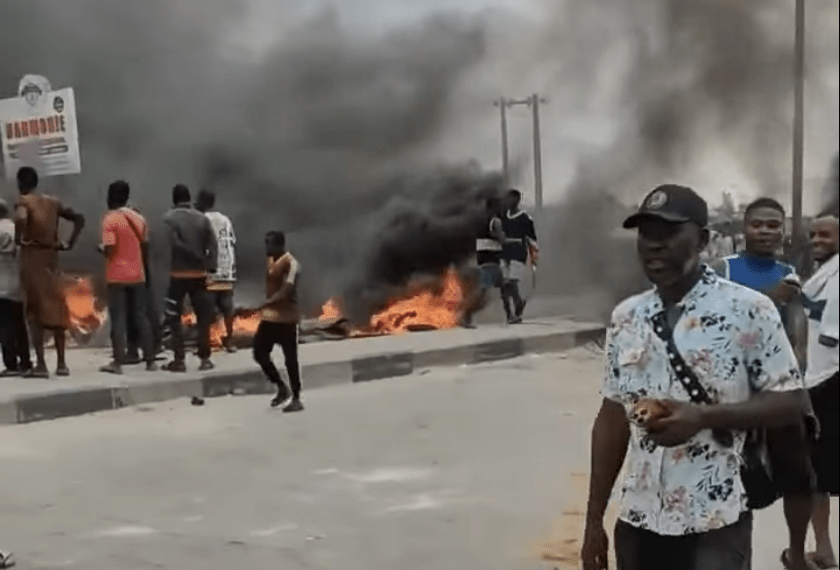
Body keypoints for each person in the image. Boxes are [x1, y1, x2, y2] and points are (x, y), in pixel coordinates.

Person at [581, 184, 809, 570]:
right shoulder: (626, 317)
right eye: (646, 234)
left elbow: (792, 402)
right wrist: (593, 519)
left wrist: (704, 418)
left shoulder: (749, 309)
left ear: (702, 239)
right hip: (638, 520)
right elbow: (611, 419)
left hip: (715, 521)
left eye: (669, 233)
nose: (655, 245)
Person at [710, 197, 816, 570]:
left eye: (774, 225)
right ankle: (738, 558)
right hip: (731, 390)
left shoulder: (788, 272)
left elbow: (797, 324)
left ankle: (798, 555)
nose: (767, 231)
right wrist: (771, 299)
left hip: (779, 389)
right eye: (759, 224)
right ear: (744, 229)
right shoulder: (721, 269)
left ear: (783, 231)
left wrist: (799, 360)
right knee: (738, 481)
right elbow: (711, 323)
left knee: (800, 477)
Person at [13, 167, 84, 378]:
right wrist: (69, 243)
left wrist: (20, 237)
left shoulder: (23, 201)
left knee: (35, 311)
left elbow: (20, 218)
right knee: (57, 307)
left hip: (33, 258)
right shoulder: (53, 202)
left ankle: (41, 365)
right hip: (52, 258)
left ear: (20, 183)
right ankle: (62, 364)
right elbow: (79, 218)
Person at [801, 212, 839, 570]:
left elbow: (830, 334)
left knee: (816, 474)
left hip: (829, 381)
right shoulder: (826, 273)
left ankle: (825, 549)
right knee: (821, 474)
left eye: (825, 235)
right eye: (813, 235)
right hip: (822, 378)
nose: (817, 241)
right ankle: (824, 549)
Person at [97, 181, 157, 374]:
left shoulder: (110, 220)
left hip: (117, 276)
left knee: (118, 319)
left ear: (110, 196)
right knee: (141, 316)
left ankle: (117, 363)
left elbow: (110, 249)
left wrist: (101, 249)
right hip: (137, 275)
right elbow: (145, 247)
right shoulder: (138, 218)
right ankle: (151, 361)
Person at [162, 184, 217, 373]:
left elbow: (175, 244)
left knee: (174, 317)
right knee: (203, 317)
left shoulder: (168, 218)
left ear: (174, 199)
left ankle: (179, 360)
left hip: (178, 275)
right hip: (199, 275)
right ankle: (205, 359)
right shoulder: (202, 219)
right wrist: (209, 263)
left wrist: (192, 255)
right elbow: (213, 243)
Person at [253, 231, 304, 412]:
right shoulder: (270, 260)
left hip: (287, 319)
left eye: (269, 244)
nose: (266, 247)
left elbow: (287, 289)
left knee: (290, 359)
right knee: (259, 353)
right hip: (270, 318)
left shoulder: (292, 264)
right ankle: (281, 387)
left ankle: (297, 398)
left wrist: (266, 302)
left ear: (279, 245)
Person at [195, 189, 237, 353]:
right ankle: (230, 341)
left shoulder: (202, 219)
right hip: (227, 269)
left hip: (210, 270)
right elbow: (231, 241)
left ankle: (207, 344)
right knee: (227, 306)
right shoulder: (225, 220)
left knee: (205, 309)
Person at [460, 197, 505, 328]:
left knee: (506, 286)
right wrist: (516, 242)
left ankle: (512, 315)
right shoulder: (495, 221)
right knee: (482, 291)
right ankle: (465, 315)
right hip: (490, 260)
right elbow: (502, 239)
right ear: (494, 208)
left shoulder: (479, 222)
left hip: (485, 259)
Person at [0, 199, 32, 377]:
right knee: (20, 325)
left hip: (1, 287)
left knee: (4, 327)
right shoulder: (16, 229)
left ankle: (11, 364)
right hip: (17, 284)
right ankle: (26, 361)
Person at [501, 189, 538, 324]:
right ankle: (511, 312)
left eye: (511, 199)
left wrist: (534, 258)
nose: (508, 201)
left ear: (517, 200)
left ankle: (517, 305)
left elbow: (532, 239)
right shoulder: (504, 217)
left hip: (518, 254)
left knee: (512, 282)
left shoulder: (525, 218)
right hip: (505, 255)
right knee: (505, 285)